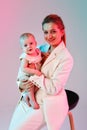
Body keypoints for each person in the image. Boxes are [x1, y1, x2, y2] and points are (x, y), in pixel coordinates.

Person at [9, 14, 73, 130]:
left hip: (46, 103)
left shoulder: (66, 58)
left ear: (62, 32)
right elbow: (21, 72)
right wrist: (22, 86)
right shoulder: (40, 49)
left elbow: (54, 88)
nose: (49, 36)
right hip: (28, 97)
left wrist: (34, 76)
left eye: (53, 31)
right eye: (46, 32)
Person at [17, 33, 43, 109]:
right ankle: (32, 100)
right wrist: (35, 71)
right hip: (25, 75)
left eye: (31, 43)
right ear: (22, 48)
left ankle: (26, 96)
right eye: (25, 45)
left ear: (35, 43)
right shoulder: (25, 57)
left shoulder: (37, 52)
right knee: (30, 83)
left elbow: (41, 57)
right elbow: (23, 68)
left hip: (33, 74)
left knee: (38, 85)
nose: (29, 46)